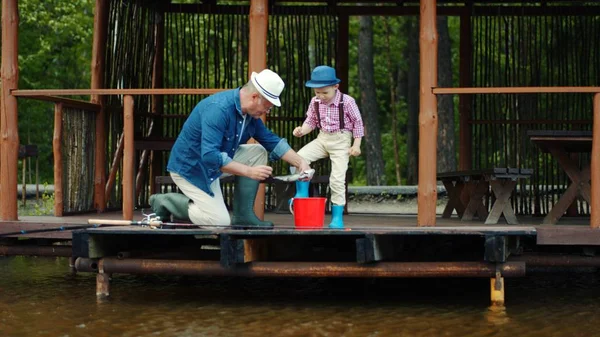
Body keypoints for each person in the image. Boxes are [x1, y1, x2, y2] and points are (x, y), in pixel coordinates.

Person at [149, 69, 311, 229]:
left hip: (215, 164)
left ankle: (243, 216)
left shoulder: (249, 114)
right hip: (192, 169)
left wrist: (300, 162)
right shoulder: (218, 109)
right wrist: (249, 171)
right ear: (255, 97)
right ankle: (166, 202)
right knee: (218, 222)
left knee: (258, 152)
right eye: (268, 107)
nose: (266, 112)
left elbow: (271, 140)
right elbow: (210, 156)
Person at [291, 65, 364, 229]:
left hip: (341, 140)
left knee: (337, 179)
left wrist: (356, 145)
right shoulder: (315, 101)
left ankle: (337, 218)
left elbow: (358, 123)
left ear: (335, 87)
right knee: (298, 158)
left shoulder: (347, 102)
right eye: (317, 92)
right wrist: (302, 130)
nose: (321, 96)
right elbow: (311, 121)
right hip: (322, 138)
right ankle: (302, 192)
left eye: (325, 92)